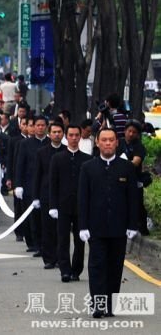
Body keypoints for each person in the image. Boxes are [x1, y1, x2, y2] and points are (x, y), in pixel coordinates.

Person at [78, 128, 139, 318]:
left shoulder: (126, 167)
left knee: (114, 267)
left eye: (111, 140)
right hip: (95, 228)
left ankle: (111, 305)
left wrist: (132, 225)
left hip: (119, 228)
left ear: (116, 143)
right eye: (103, 140)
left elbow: (133, 198)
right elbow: (83, 198)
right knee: (96, 266)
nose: (107, 143)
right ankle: (98, 305)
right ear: (97, 143)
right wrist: (82, 226)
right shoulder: (88, 167)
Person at [49, 124, 91, 282]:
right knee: (62, 239)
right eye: (71, 135)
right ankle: (64, 270)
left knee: (80, 240)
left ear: (80, 136)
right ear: (67, 136)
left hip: (81, 207)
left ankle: (76, 270)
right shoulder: (57, 158)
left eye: (76, 135)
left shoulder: (87, 160)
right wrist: (53, 206)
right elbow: (53, 183)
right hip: (62, 205)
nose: (74, 138)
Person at [15, 116, 50, 255]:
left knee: (44, 219)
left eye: (43, 125)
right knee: (32, 218)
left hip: (46, 186)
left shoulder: (50, 143)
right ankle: (33, 243)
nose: (40, 127)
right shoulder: (25, 144)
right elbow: (20, 165)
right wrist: (18, 184)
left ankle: (44, 245)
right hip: (29, 185)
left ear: (47, 126)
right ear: (34, 127)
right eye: (38, 125)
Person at [32, 122, 65, 269]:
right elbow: (37, 175)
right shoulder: (41, 152)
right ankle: (49, 259)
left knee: (62, 230)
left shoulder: (66, 151)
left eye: (59, 132)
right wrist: (36, 197)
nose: (57, 134)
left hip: (63, 195)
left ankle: (61, 258)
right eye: (54, 132)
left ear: (63, 133)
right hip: (46, 194)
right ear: (49, 134)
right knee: (47, 228)